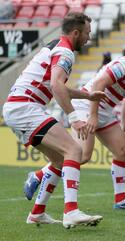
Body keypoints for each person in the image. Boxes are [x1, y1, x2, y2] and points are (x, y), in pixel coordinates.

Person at [25, 35, 125, 211]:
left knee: (122, 147)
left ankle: (121, 200)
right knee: (82, 155)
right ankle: (39, 175)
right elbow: (99, 83)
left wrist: (123, 128)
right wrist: (92, 115)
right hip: (86, 104)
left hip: (105, 110)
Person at [4, 12, 105, 228]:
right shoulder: (66, 52)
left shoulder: (55, 46)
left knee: (60, 159)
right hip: (25, 107)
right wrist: (75, 118)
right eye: (87, 33)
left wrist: (87, 96)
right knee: (74, 151)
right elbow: (57, 86)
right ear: (75, 32)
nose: (88, 38)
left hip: (18, 107)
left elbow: (55, 84)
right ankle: (71, 211)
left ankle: (37, 214)